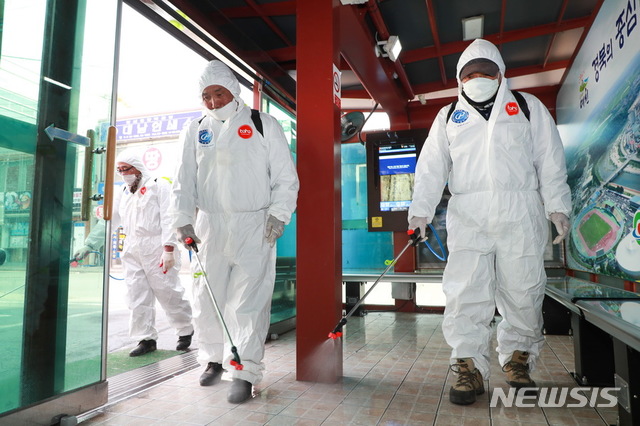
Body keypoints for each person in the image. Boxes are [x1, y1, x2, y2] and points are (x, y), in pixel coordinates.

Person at [408, 39, 571, 405]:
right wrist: (420, 211)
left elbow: (550, 160)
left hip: (521, 210)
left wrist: (558, 207)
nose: (478, 78)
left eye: (485, 71)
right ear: (458, 79)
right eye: (470, 74)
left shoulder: (527, 108)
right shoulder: (449, 116)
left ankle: (519, 360)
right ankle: (469, 368)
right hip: (469, 214)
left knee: (524, 289)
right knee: (466, 292)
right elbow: (431, 167)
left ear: (501, 74)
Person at [170, 60, 299, 404]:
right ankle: (212, 359)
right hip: (209, 225)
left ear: (233, 90)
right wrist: (183, 219)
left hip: (253, 226)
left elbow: (285, 177)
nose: (212, 101)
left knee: (248, 301)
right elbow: (183, 180)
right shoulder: (195, 129)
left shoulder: (262, 123)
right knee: (206, 297)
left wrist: (278, 215)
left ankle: (243, 371)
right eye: (206, 96)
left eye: (219, 93)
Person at [74, 148, 194, 357]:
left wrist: (168, 249)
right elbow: (110, 220)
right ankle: (145, 338)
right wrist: (90, 245)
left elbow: (168, 218)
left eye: (126, 169)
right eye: (119, 170)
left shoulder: (159, 186)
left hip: (156, 246)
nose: (123, 174)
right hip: (132, 248)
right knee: (136, 294)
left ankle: (185, 329)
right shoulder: (123, 192)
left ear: (137, 168)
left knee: (168, 291)